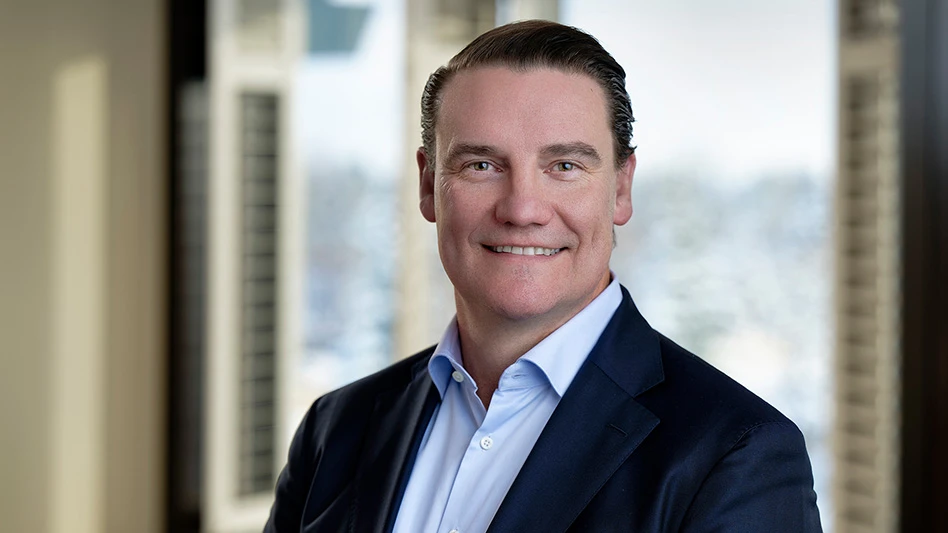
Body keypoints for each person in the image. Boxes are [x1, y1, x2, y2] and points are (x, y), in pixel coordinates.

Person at [266, 20, 822, 532]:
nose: (522, 208)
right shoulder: (335, 429)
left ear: (621, 188)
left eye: (564, 166)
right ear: (429, 185)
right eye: (482, 165)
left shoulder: (735, 454)